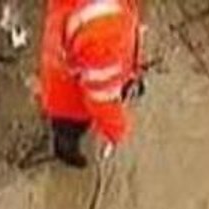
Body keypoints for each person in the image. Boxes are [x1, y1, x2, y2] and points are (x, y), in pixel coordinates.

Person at [39, 0, 143, 168]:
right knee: (68, 131)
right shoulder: (105, 28)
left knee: (63, 126)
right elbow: (100, 98)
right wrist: (116, 129)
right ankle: (65, 152)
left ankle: (64, 145)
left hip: (60, 65)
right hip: (70, 101)